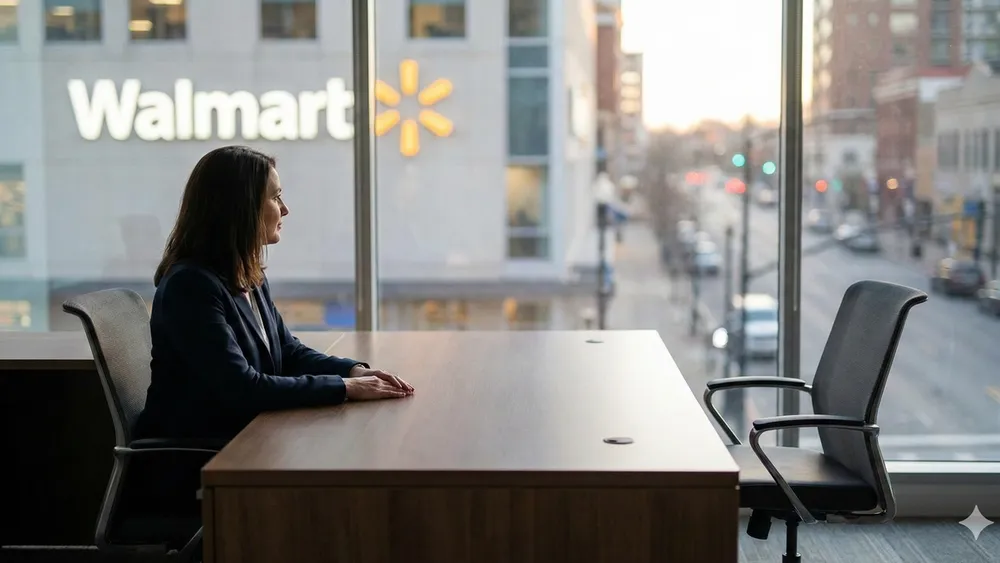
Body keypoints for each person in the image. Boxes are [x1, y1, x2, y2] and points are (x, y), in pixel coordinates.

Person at [128, 145, 413, 522]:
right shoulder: (190, 287)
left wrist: (355, 372)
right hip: (202, 462)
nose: (286, 209)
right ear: (240, 208)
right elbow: (243, 388)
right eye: (276, 197)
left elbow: (288, 352)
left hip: (247, 442)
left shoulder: (246, 274)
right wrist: (344, 389)